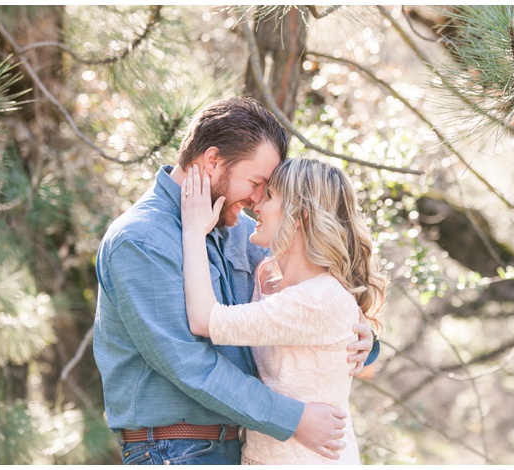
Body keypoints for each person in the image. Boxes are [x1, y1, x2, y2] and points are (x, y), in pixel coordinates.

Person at [92, 97, 380, 465]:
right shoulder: (141, 241)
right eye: (256, 182)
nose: (258, 199)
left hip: (246, 446)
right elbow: (188, 363)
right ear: (212, 161)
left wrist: (363, 337)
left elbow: (310, 307)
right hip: (177, 450)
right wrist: (292, 419)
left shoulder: (244, 232)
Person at [180, 157, 388, 464]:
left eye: (270, 197)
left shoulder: (319, 299)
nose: (257, 206)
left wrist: (194, 232)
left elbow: (204, 320)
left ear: (300, 217)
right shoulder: (270, 277)